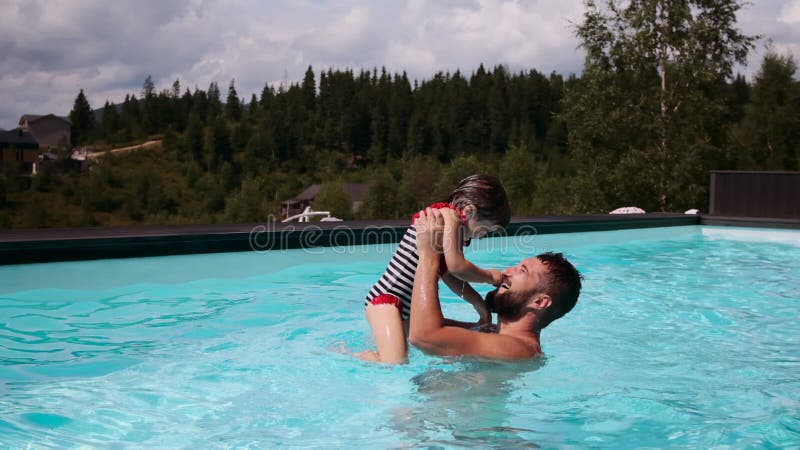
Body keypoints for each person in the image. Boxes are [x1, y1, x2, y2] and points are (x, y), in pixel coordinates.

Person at [357, 174, 511, 364]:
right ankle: (345, 355)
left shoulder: (452, 227)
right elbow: (457, 267)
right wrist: (490, 276)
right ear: (470, 212)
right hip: (386, 301)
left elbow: (449, 276)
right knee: (395, 362)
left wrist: (479, 304)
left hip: (406, 308)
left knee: (451, 339)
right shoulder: (448, 218)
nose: (484, 236)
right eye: (486, 230)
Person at [408, 207, 582, 360]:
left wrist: (429, 256)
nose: (506, 271)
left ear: (540, 302)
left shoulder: (519, 349)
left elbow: (423, 335)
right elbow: (416, 324)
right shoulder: (492, 333)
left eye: (522, 271)